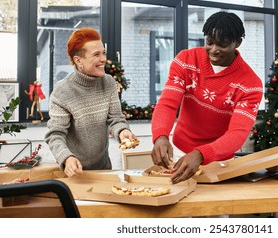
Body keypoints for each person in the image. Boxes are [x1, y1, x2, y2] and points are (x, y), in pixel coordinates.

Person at [151, 11, 263, 184]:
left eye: (222, 45)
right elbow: (167, 104)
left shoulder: (250, 84)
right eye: (209, 42)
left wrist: (201, 154)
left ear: (238, 43)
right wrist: (160, 136)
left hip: (220, 161)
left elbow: (237, 133)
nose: (214, 50)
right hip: (181, 152)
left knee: (215, 210)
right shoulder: (185, 60)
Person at [45, 27, 136, 177]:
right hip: (74, 171)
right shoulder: (63, 91)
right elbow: (55, 134)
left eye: (103, 53)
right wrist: (67, 158)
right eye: (96, 54)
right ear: (78, 60)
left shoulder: (108, 83)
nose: (103, 59)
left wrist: (122, 131)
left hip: (103, 167)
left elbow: (115, 119)